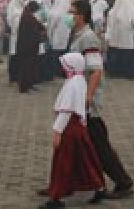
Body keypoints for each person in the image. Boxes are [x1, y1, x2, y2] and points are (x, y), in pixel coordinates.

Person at [67, 0, 134, 199]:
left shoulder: (87, 38)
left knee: (98, 143)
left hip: (87, 100)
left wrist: (88, 96)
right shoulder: (77, 35)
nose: (69, 17)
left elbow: (96, 70)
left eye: (72, 13)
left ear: (81, 15)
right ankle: (68, 181)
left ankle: (123, 181)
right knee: (80, 142)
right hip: (78, 95)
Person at [40, 52, 106, 209]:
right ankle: (97, 187)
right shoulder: (79, 81)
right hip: (78, 128)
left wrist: (57, 131)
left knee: (63, 164)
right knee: (84, 160)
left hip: (70, 129)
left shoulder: (72, 84)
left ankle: (56, 197)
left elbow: (66, 111)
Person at [16, 0, 47, 93]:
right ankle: (24, 88)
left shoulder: (28, 14)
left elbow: (38, 25)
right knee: (26, 68)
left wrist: (42, 28)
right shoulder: (27, 16)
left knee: (30, 67)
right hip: (27, 47)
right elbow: (33, 31)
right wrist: (41, 32)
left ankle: (30, 85)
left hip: (30, 47)